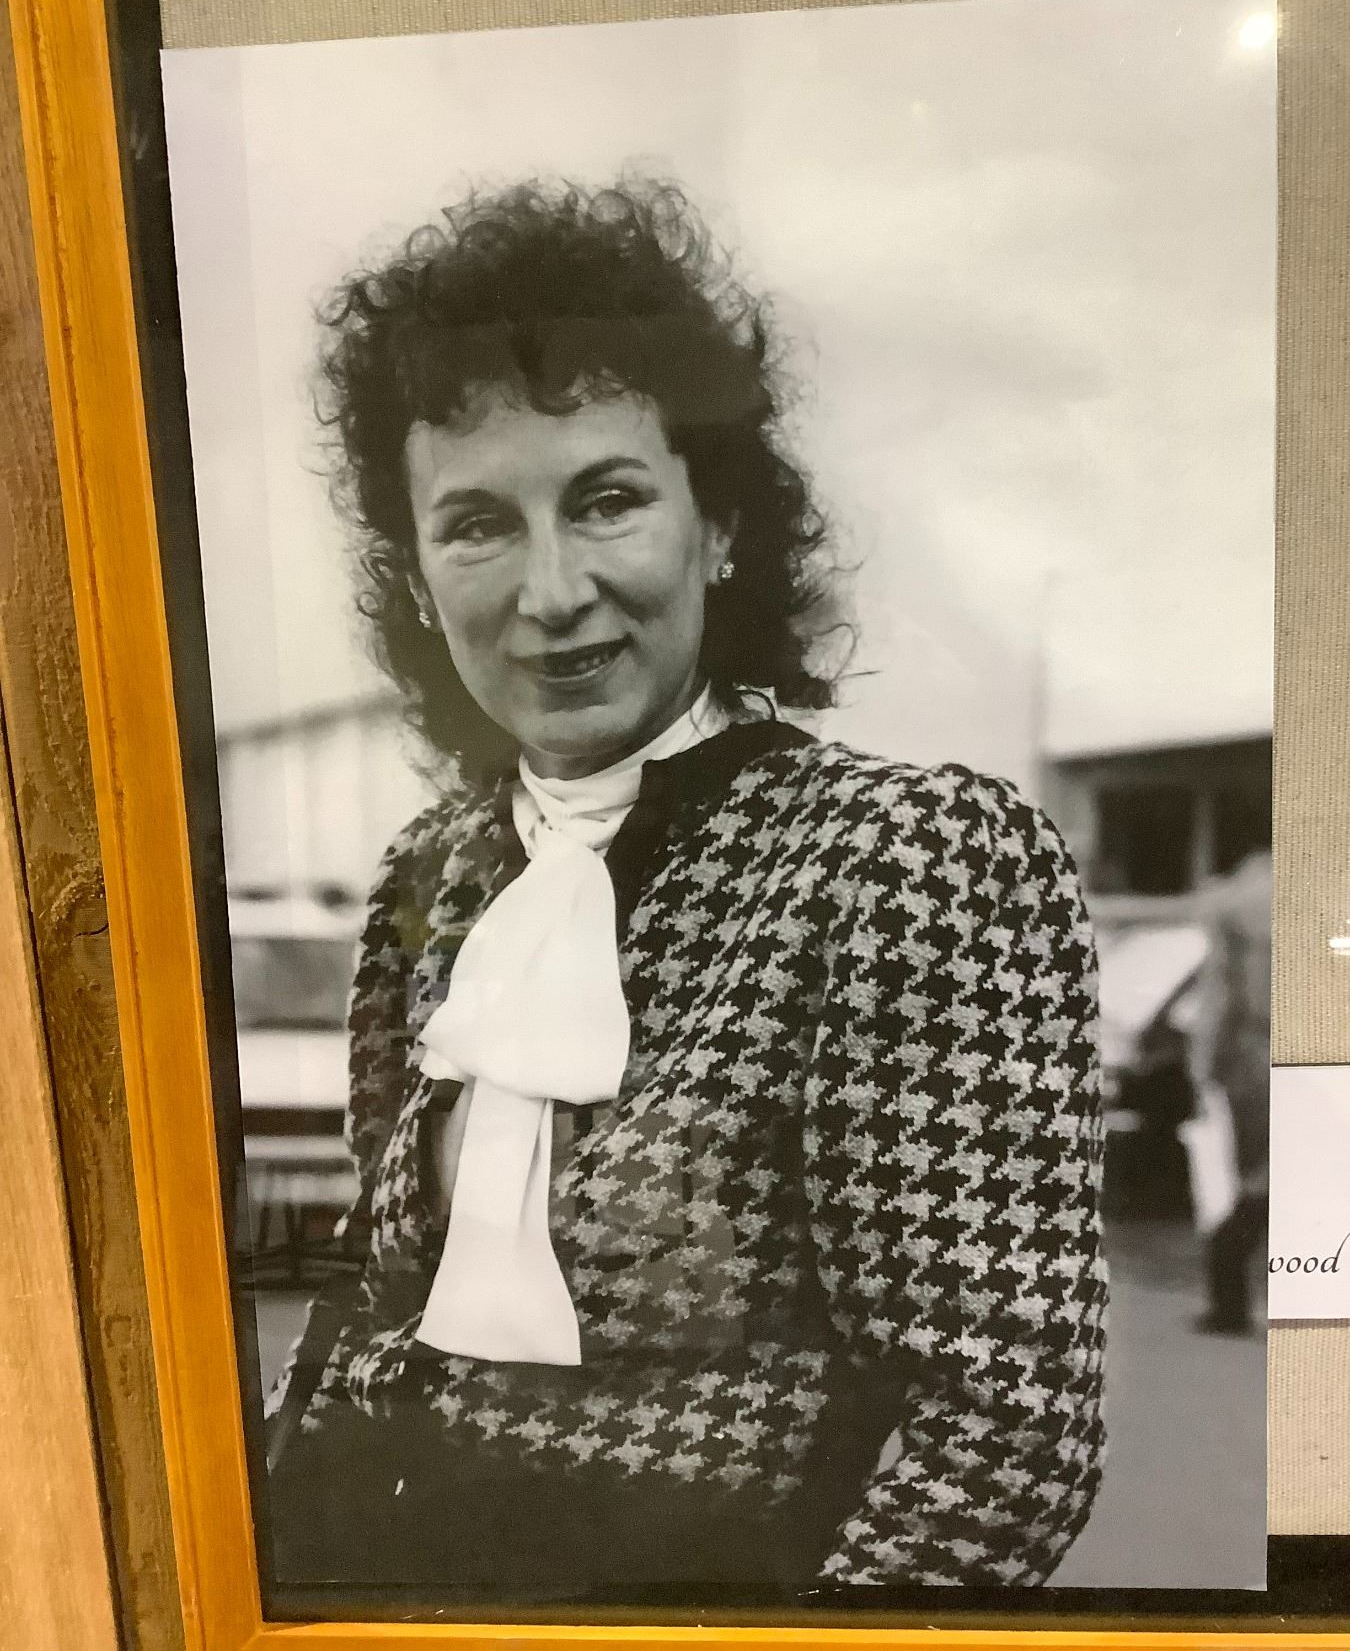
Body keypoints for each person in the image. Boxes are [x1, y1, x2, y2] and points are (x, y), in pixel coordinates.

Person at [264, 178, 1107, 1597]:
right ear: (415, 580)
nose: (550, 592)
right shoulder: (433, 871)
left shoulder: (904, 859)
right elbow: (366, 1298)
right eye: (476, 524)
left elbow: (1003, 1439)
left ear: (718, 528)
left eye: (606, 502)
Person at [1189, 848, 1272, 1336]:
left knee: (1258, 1176)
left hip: (1255, 1055)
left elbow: (1219, 996)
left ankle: (1229, 1297)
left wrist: (1204, 1067)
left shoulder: (1236, 906)